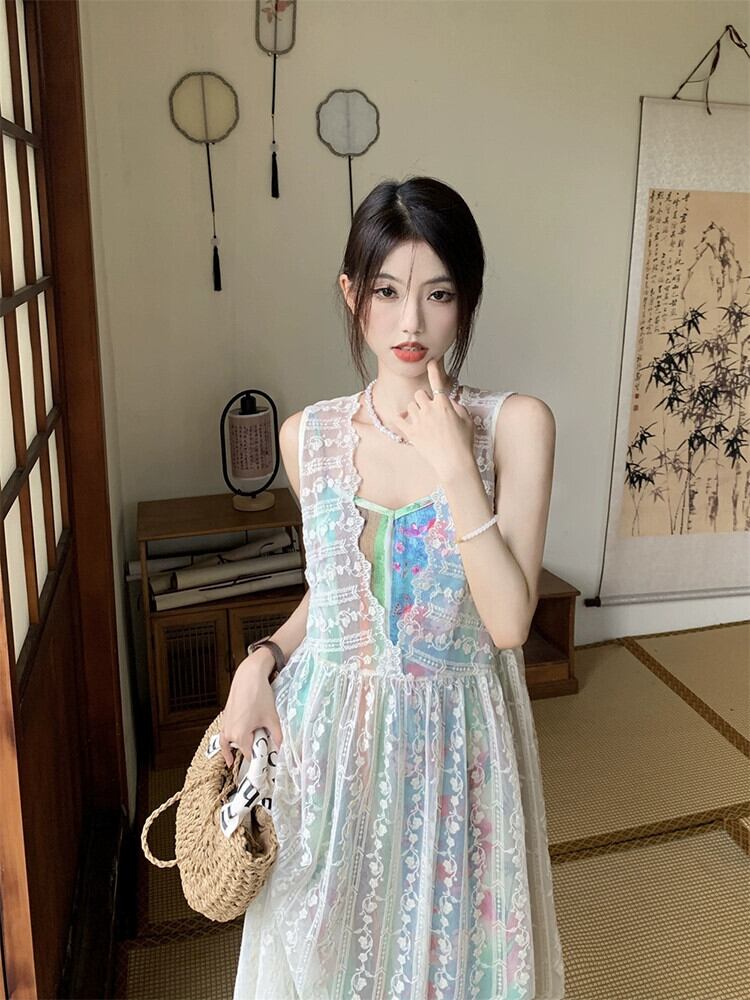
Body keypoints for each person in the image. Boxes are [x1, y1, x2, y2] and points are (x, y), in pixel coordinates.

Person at [222, 176, 566, 999]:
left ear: (465, 300)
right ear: (352, 295)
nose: (410, 322)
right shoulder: (308, 437)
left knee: (449, 966)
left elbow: (510, 622)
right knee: (325, 965)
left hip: (457, 748)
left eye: (437, 294)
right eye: (386, 292)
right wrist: (257, 664)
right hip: (330, 749)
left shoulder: (515, 426)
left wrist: (454, 463)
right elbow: (341, 598)